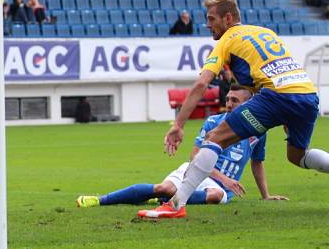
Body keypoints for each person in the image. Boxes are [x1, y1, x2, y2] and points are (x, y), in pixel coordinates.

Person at [139, 0, 325, 219]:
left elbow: (201, 84)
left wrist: (178, 124)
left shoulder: (227, 40)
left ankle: (176, 205)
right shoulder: (266, 32)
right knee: (297, 156)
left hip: (277, 95)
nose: (207, 25)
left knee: (214, 138)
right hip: (307, 94)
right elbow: (272, 71)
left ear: (228, 19)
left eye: (211, 19)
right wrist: (289, 116)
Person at [78, 85, 288, 208]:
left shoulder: (257, 132)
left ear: (247, 104)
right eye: (228, 99)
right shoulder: (214, 123)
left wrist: (266, 195)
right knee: (164, 188)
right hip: (198, 172)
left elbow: (257, 163)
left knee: (214, 196)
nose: (230, 104)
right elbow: (196, 157)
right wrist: (226, 178)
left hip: (219, 188)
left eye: (235, 100)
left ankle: (167, 201)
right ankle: (99, 200)